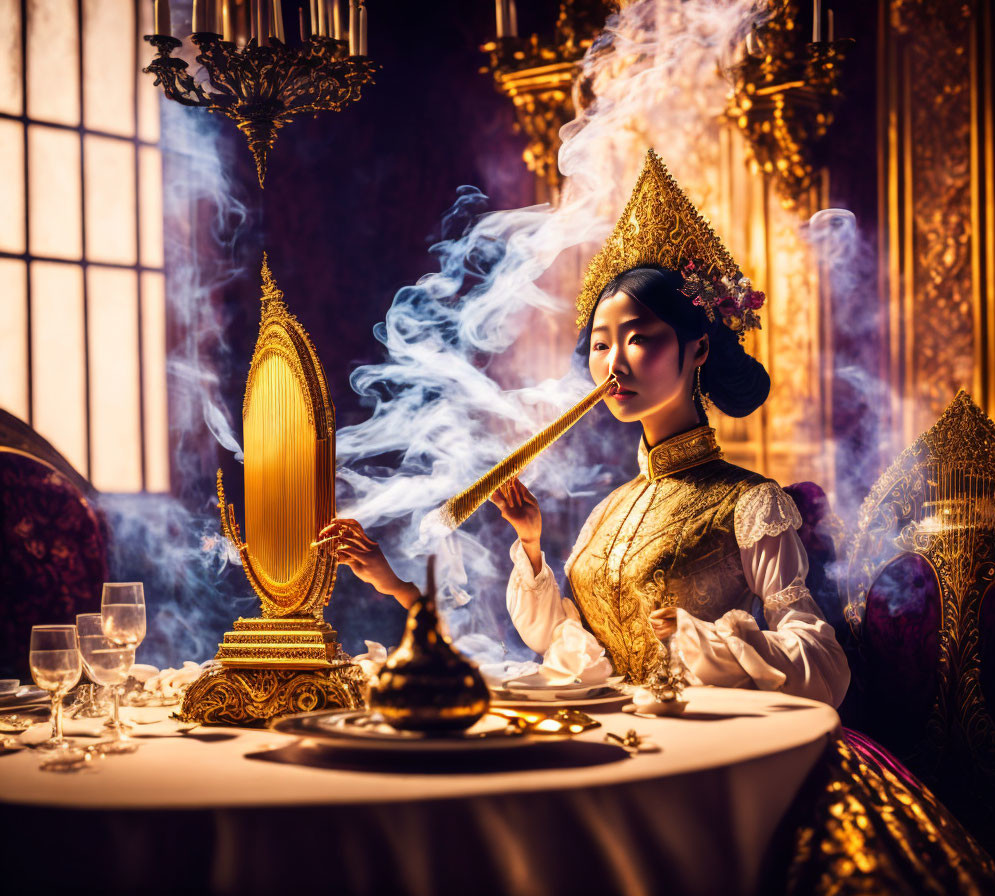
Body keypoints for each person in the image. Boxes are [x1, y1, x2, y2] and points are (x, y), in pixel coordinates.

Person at [324, 151, 849, 706]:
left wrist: (700, 640)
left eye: (639, 337)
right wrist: (523, 547)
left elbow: (822, 663)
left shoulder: (749, 504)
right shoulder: (608, 513)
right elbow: (563, 650)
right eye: (601, 344)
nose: (613, 363)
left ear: (698, 348)